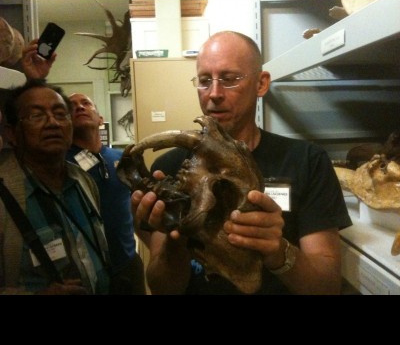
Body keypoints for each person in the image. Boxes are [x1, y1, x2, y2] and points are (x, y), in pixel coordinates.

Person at [131, 31, 352, 295]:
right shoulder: (168, 166)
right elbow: (162, 287)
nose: (214, 93)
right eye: (204, 81)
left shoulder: (307, 162)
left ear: (261, 83)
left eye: (229, 79)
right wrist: (173, 242)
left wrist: (278, 251)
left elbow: (327, 286)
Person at [0, 79, 110, 294]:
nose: (53, 123)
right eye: (36, 115)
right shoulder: (4, 195)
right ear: (11, 133)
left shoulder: (83, 181)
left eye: (61, 114)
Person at [66, 93, 146, 295]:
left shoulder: (122, 158)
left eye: (86, 103)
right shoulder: (60, 164)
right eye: (72, 106)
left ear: (100, 119)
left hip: (127, 263)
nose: (80, 107)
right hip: (85, 272)